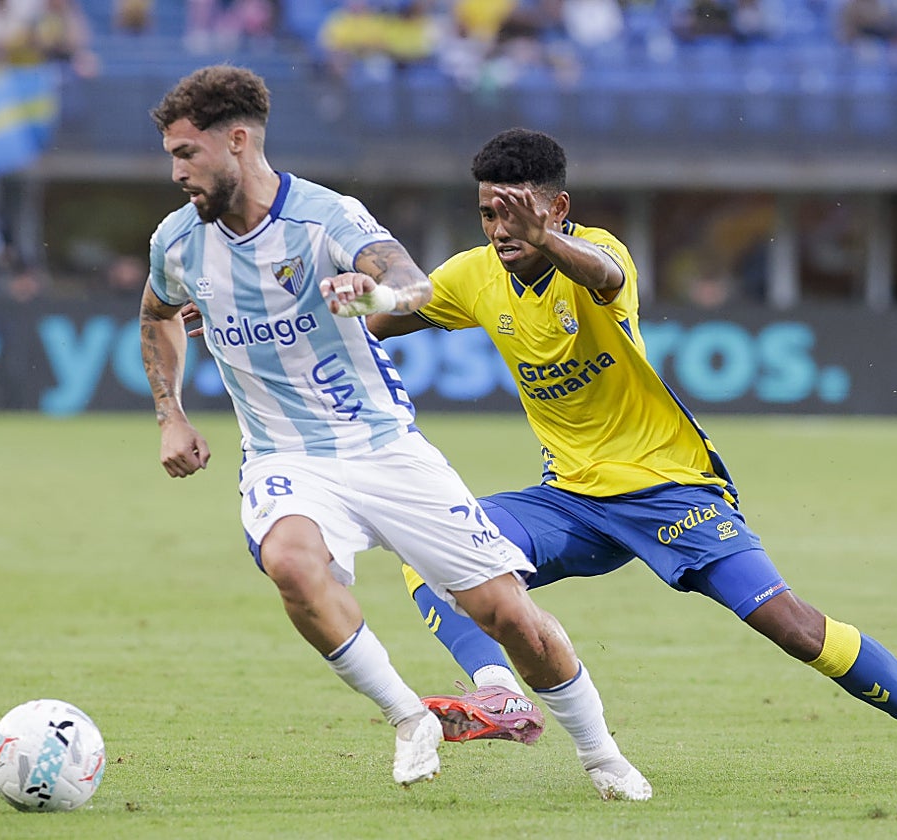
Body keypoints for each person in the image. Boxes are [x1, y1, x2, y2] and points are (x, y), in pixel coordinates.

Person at [365, 127, 897, 783]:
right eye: (489, 214)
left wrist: (546, 240)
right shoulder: (475, 275)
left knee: (789, 625)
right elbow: (381, 320)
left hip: (667, 488)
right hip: (573, 500)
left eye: (519, 212)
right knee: (436, 546)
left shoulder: (597, 254)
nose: (502, 229)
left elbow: (604, 273)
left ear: (558, 209)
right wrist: (342, 310)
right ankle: (499, 690)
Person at [137, 66, 651, 800]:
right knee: (289, 561)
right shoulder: (178, 241)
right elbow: (158, 312)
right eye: (172, 155)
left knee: (509, 617)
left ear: (238, 142)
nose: (177, 170)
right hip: (286, 456)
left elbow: (411, 284)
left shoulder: (325, 218)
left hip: (383, 447)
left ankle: (601, 755)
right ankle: (409, 716)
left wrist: (369, 290)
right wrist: (172, 414)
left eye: (186, 153)